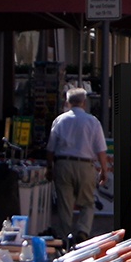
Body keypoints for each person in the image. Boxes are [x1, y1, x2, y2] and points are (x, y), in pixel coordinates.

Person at [46, 88, 109, 244]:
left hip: (63, 164)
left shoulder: (59, 120)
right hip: (85, 165)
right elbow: (101, 150)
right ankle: (82, 231)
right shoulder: (93, 121)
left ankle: (65, 235)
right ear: (84, 103)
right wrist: (104, 170)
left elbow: (50, 149)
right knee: (88, 202)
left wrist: (49, 168)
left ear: (67, 102)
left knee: (64, 204)